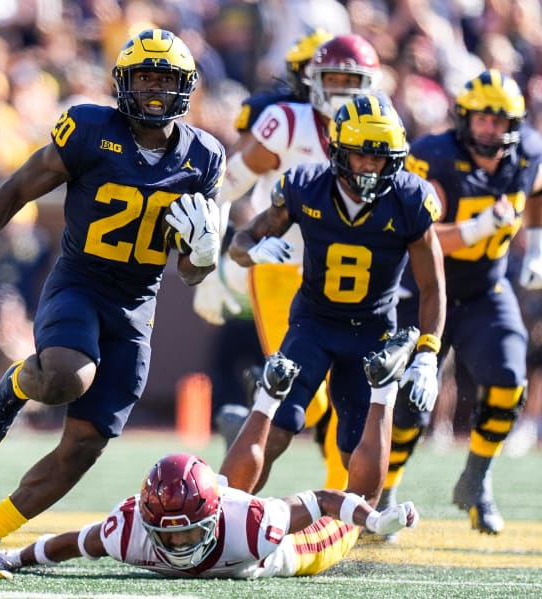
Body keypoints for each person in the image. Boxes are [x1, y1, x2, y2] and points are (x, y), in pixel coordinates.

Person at [0, 29, 225, 578]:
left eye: (166, 79)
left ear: (185, 88)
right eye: (145, 77)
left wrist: (206, 252)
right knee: (68, 375)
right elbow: (21, 185)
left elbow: (189, 271)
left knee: (84, 446)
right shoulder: (89, 129)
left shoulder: (204, 157)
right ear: (124, 83)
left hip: (137, 307)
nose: (155, 90)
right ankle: (23, 381)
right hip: (79, 284)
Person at [0, 353, 419, 579]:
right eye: (172, 535)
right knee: (226, 485)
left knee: (362, 497)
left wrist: (376, 521)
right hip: (229, 515)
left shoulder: (257, 527)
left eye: (187, 533)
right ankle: (267, 398)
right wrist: (14, 558)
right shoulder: (127, 531)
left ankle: (383, 389)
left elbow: (327, 499)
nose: (180, 546)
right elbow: (73, 543)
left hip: (278, 555)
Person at [227, 93, 446, 502]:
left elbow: (432, 286)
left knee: (354, 446)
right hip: (312, 324)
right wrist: (252, 252)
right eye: (362, 155)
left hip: (373, 332)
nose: (370, 166)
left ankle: (356, 523)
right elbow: (243, 241)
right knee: (277, 424)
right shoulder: (305, 186)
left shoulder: (410, 199)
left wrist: (429, 354)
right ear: (338, 151)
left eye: (380, 157)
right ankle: (227, 512)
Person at [196, 34, 382, 488]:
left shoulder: (382, 127)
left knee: (348, 397)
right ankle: (247, 434)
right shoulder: (288, 123)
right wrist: (211, 263)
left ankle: (346, 503)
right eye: (331, 79)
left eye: (350, 80)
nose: (338, 90)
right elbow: (225, 186)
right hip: (280, 268)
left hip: (346, 277)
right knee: (306, 397)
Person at [381, 69, 542, 535]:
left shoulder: (528, 150)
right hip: (427, 288)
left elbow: (534, 194)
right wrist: (479, 228)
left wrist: (534, 243)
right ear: (464, 119)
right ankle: (387, 492)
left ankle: (476, 479)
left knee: (509, 381)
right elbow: (420, 235)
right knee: (410, 401)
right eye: (482, 119)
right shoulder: (434, 157)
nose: (489, 128)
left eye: (499, 120)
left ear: (514, 123)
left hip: (486, 289)